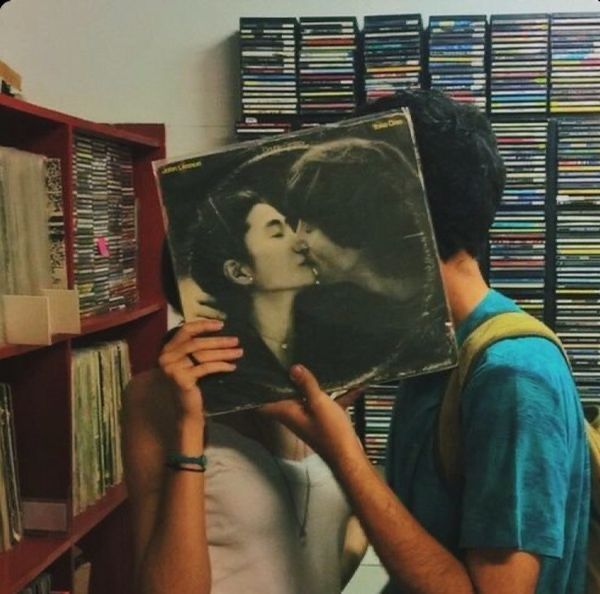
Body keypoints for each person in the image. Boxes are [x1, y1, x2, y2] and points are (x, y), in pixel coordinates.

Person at [265, 89, 591, 594]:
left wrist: (343, 452)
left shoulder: (510, 373)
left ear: (393, 216)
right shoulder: (433, 345)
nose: (301, 240)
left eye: (320, 217)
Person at [122, 239, 367, 594]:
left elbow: (329, 541)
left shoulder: (321, 382)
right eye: (276, 232)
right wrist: (189, 427)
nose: (301, 242)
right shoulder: (158, 396)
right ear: (237, 270)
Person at [284, 135, 455, 388]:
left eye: (308, 227)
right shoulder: (327, 316)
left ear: (350, 222)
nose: (297, 240)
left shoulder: (443, 308)